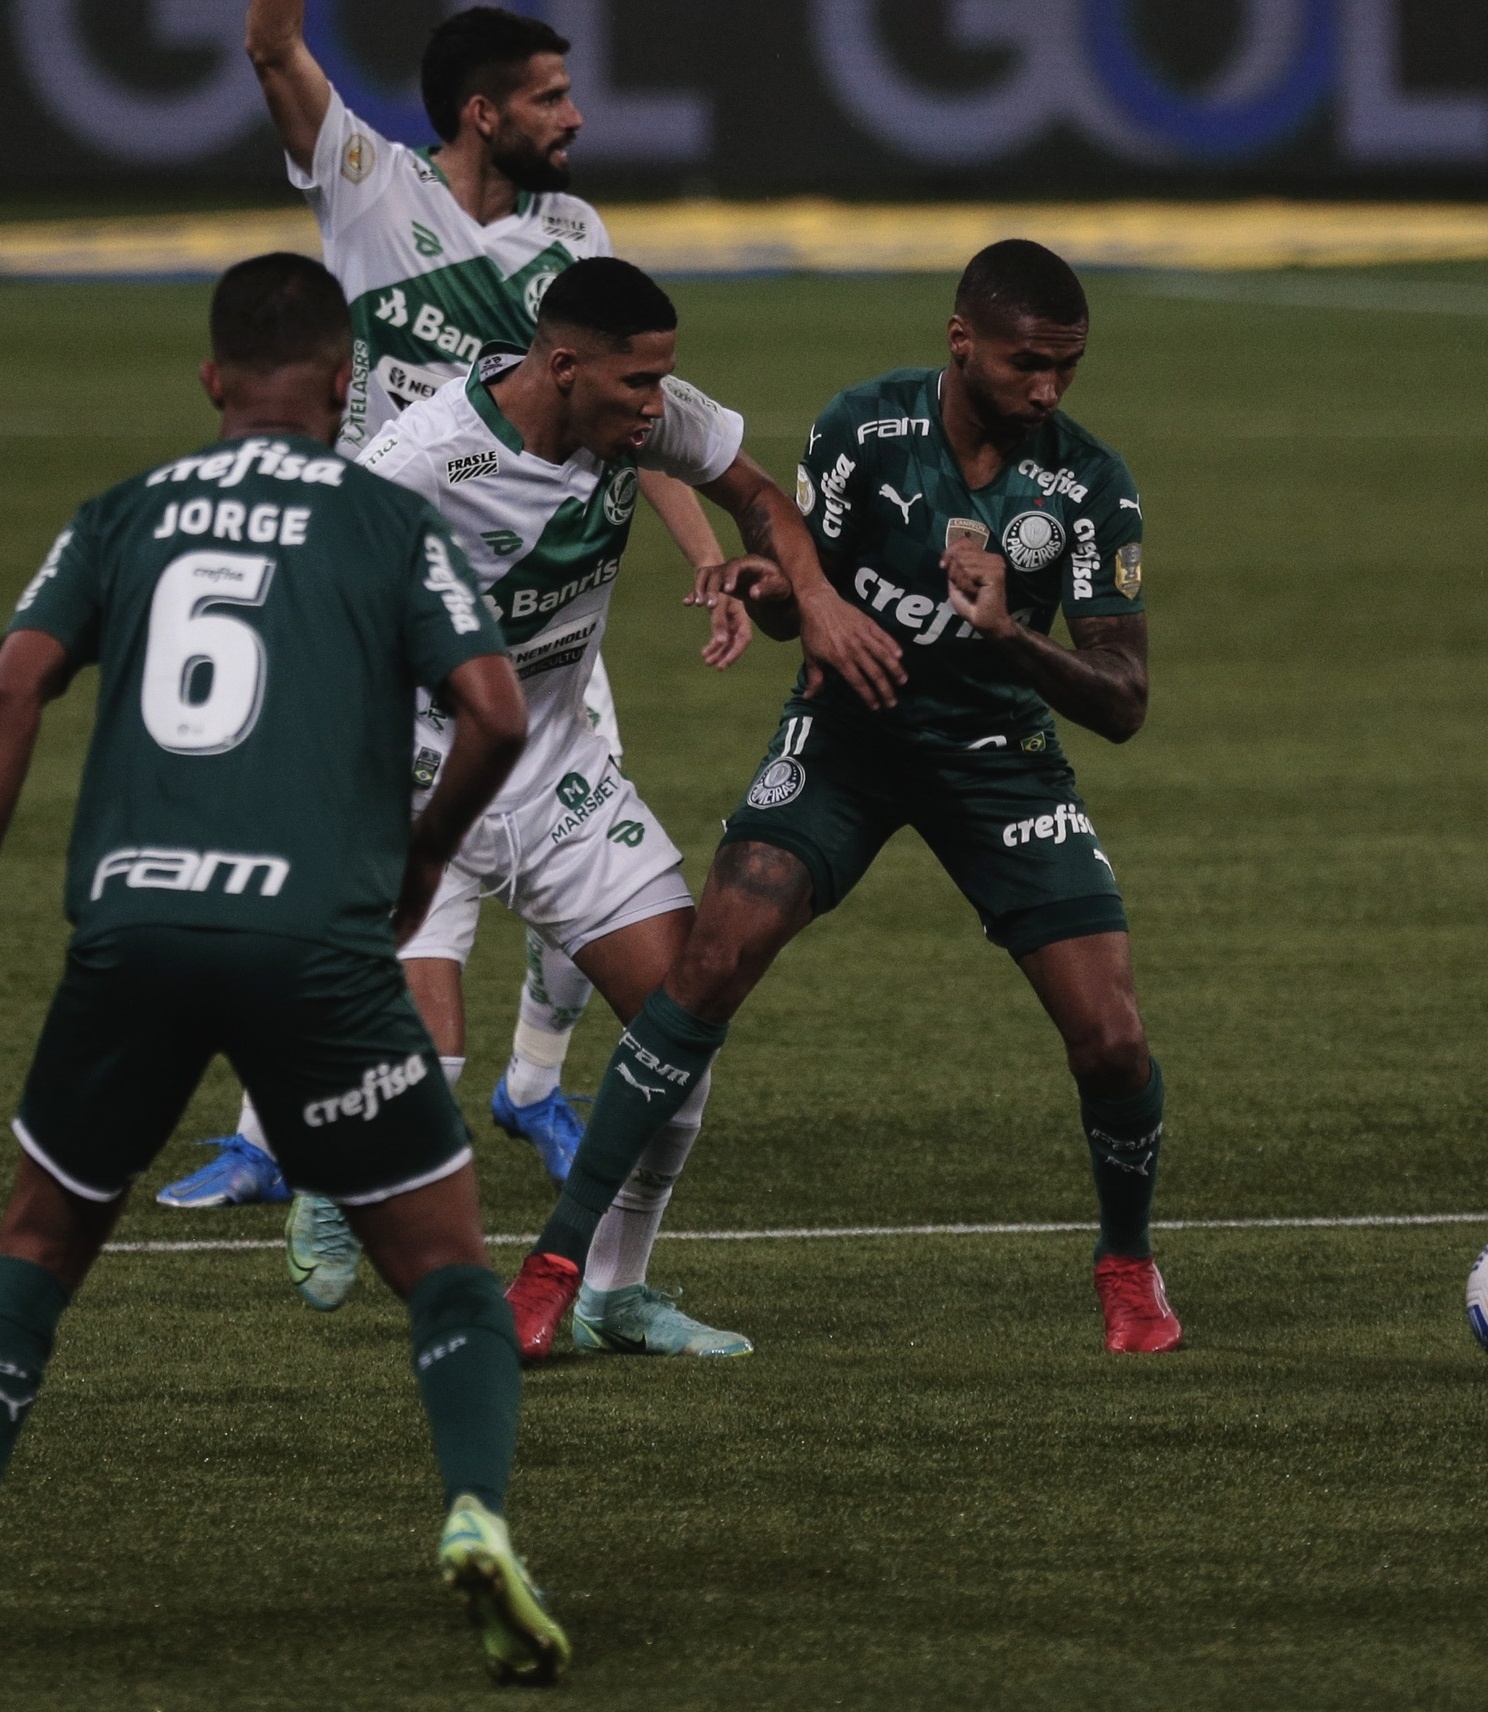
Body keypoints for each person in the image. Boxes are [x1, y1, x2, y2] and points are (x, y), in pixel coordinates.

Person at [0, 255, 571, 1686]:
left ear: (209, 384)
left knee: (36, 1245)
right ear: (341, 387)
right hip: (312, 942)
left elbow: (11, 683)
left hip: (131, 934)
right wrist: (425, 855)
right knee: (442, 1265)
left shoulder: (128, 512)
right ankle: (476, 1513)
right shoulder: (384, 517)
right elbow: (494, 710)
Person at [155, 0, 743, 1232]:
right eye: (552, 96)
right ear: (481, 113)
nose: (577, 117)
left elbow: (639, 410)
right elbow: (269, 41)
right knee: (377, 892)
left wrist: (693, 546)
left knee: (546, 868)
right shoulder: (372, 190)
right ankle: (298, 1141)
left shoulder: (573, 231)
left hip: (542, 603)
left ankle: (522, 1102)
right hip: (392, 601)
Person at [504, 240, 1183, 1361]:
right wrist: (769, 589)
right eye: (1027, 363)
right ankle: (555, 1263)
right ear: (961, 340)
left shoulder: (1090, 486)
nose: (1048, 389)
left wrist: (1011, 636)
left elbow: (1123, 701)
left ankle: (1126, 1260)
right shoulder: (864, 431)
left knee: (1111, 1037)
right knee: (710, 960)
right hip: (849, 731)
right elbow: (801, 599)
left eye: (1067, 366)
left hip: (996, 753)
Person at [333, 254, 905, 1357]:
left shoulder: (648, 422)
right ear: (561, 367)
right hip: (422, 782)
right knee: (421, 1067)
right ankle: (342, 1181)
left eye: (664, 383)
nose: (657, 407)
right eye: (637, 383)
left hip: (558, 780)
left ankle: (614, 1289)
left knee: (682, 1021)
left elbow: (763, 498)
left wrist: (812, 597)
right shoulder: (416, 462)